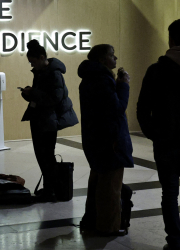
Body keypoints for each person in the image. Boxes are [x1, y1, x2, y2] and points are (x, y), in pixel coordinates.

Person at [137, 19, 180, 250]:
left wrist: (154, 133)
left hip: (166, 142)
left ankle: (173, 242)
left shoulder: (157, 70)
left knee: (169, 194)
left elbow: (142, 108)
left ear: (171, 38)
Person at [77, 44, 134, 236]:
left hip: (96, 139)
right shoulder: (102, 80)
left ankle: (94, 221)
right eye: (112, 55)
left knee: (99, 183)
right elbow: (116, 109)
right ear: (102, 60)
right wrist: (124, 85)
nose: (115, 58)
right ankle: (108, 227)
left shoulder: (90, 78)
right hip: (109, 141)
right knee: (110, 187)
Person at [20, 40, 78, 202]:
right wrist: (28, 94)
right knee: (42, 156)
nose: (32, 65)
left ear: (41, 57)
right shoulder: (42, 72)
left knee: (46, 156)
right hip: (41, 119)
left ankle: (51, 190)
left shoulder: (54, 73)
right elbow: (42, 97)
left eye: (33, 62)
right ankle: (48, 188)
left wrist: (33, 93)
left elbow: (55, 98)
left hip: (48, 121)